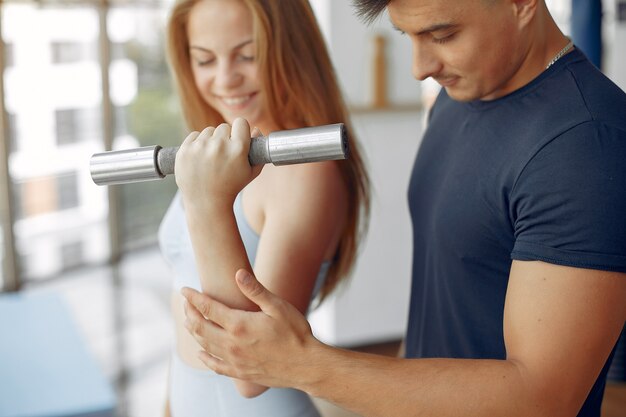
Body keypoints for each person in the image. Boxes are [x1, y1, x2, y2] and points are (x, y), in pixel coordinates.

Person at [180, 0, 626, 416]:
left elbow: (542, 397)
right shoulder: (455, 102)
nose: (419, 68)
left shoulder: (587, 142)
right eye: (407, 36)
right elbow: (443, 300)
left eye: (443, 35)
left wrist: (304, 364)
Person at [158, 0, 370, 416]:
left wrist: (206, 200)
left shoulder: (308, 173)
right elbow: (182, 308)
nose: (225, 79)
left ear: (290, 48)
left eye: (248, 55)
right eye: (204, 59)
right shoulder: (220, 155)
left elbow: (251, 373)